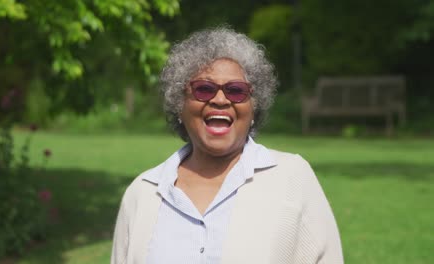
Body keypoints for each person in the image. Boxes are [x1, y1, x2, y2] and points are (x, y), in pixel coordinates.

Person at [111, 27, 343, 264]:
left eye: (236, 91)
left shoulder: (292, 177)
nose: (220, 100)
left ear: (254, 107)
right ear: (180, 104)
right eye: (204, 89)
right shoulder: (144, 192)